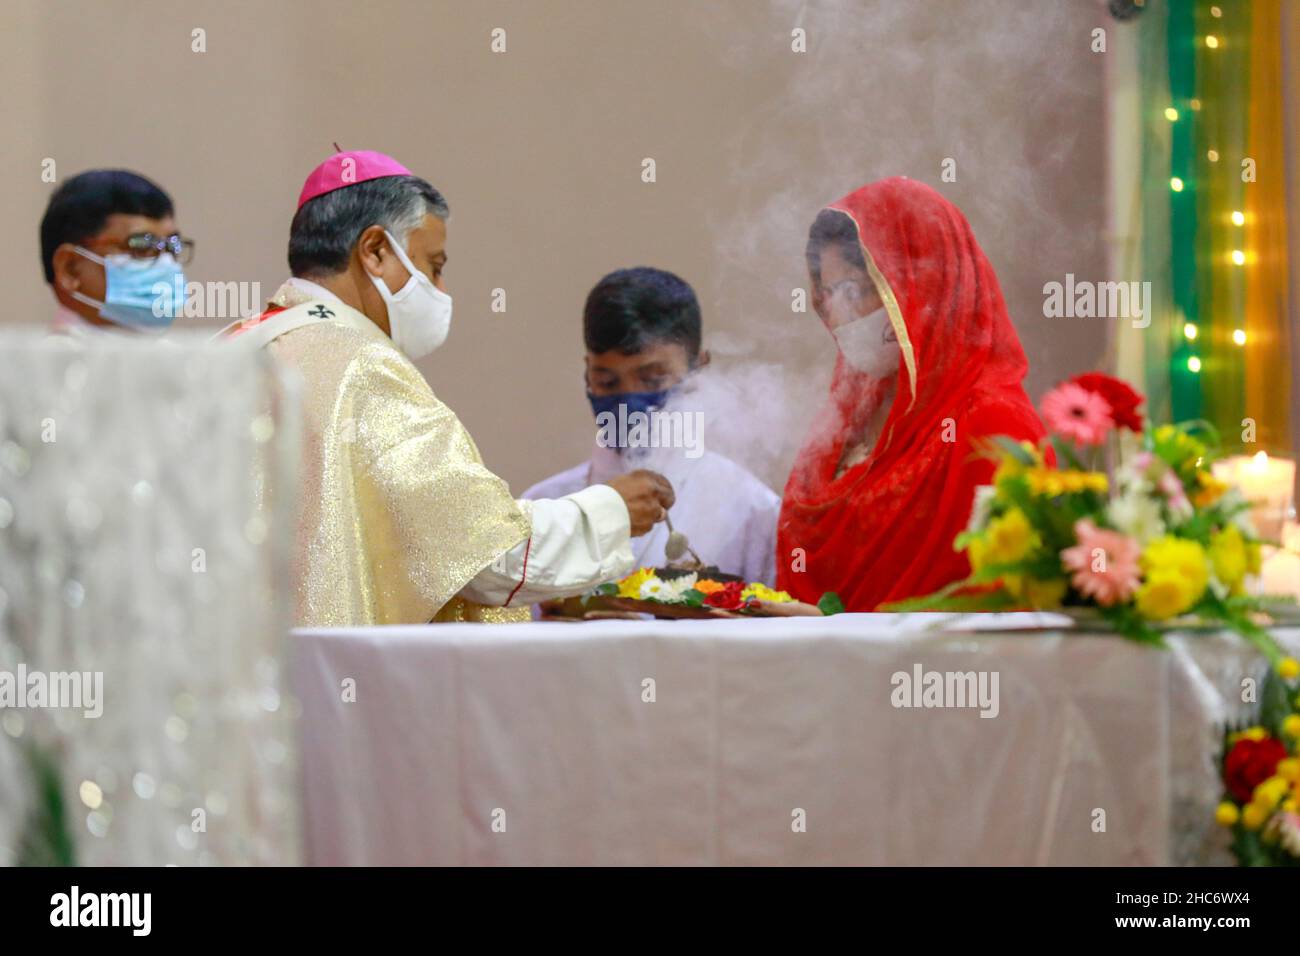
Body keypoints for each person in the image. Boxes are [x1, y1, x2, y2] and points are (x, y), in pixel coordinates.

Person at [221, 150, 674, 626]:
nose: (440, 287)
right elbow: (484, 558)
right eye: (434, 265)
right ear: (375, 250)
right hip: (328, 685)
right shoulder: (361, 367)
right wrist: (610, 512)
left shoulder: (228, 351)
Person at [777, 177, 1046, 611]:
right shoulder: (846, 422)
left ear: (928, 289)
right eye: (828, 293)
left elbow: (991, 614)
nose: (837, 315)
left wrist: (832, 630)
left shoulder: (994, 427)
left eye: (857, 291)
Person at [523, 267, 780, 585]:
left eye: (653, 379)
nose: (629, 402)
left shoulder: (751, 511)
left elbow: (775, 629)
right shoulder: (545, 507)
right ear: (588, 373)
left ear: (698, 370)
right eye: (607, 381)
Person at [40, 169, 192, 336]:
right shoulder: (39, 360)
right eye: (142, 246)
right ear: (70, 268)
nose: (166, 264)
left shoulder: (178, 358)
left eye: (171, 246)